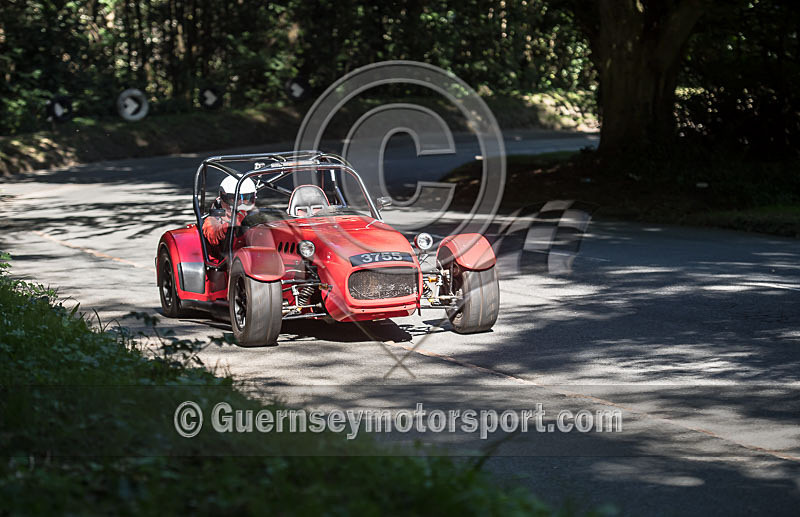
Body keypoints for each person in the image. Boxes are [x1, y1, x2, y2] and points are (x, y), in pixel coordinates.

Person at [202, 176, 257, 254]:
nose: (242, 204)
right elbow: (213, 235)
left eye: (247, 199)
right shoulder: (212, 219)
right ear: (223, 198)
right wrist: (233, 224)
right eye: (235, 199)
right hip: (229, 260)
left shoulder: (255, 215)